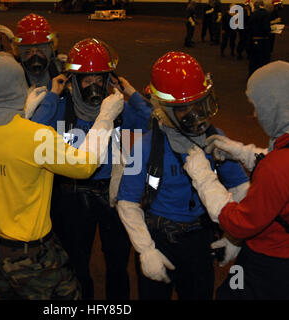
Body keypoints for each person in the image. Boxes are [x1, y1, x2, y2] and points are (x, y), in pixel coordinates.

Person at [0, 51, 125, 300]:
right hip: (31, 252)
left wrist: (24, 111)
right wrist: (105, 118)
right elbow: (86, 165)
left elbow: (4, 143)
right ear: (18, 87)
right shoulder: (35, 138)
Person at [115, 51, 249, 300]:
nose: (195, 115)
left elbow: (242, 185)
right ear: (163, 109)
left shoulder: (216, 138)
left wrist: (234, 236)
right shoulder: (143, 146)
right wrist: (146, 251)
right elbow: (127, 202)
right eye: (183, 108)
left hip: (200, 242)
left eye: (198, 104)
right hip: (158, 240)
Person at [30, 38, 152, 300]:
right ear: (74, 80)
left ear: (110, 79)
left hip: (113, 196)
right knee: (76, 263)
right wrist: (52, 95)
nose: (94, 85)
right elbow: (34, 134)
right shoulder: (63, 109)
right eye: (87, 79)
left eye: (100, 78)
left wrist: (131, 94)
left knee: (118, 263)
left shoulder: (120, 110)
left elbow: (153, 124)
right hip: (74, 196)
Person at [184, 61, 289, 299]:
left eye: (258, 106)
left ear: (274, 105)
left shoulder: (277, 168)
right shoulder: (287, 150)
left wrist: (204, 178)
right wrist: (244, 152)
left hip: (270, 264)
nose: (255, 114)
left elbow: (237, 222)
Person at [14, 13, 64, 88]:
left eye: (40, 51)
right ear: (21, 53)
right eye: (29, 52)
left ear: (49, 51)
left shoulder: (60, 70)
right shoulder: (13, 77)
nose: (35, 57)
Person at [247, 0, 271, 77]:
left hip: (253, 40)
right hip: (263, 41)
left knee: (253, 61)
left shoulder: (253, 14)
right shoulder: (266, 14)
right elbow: (266, 28)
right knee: (263, 60)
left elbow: (249, 27)